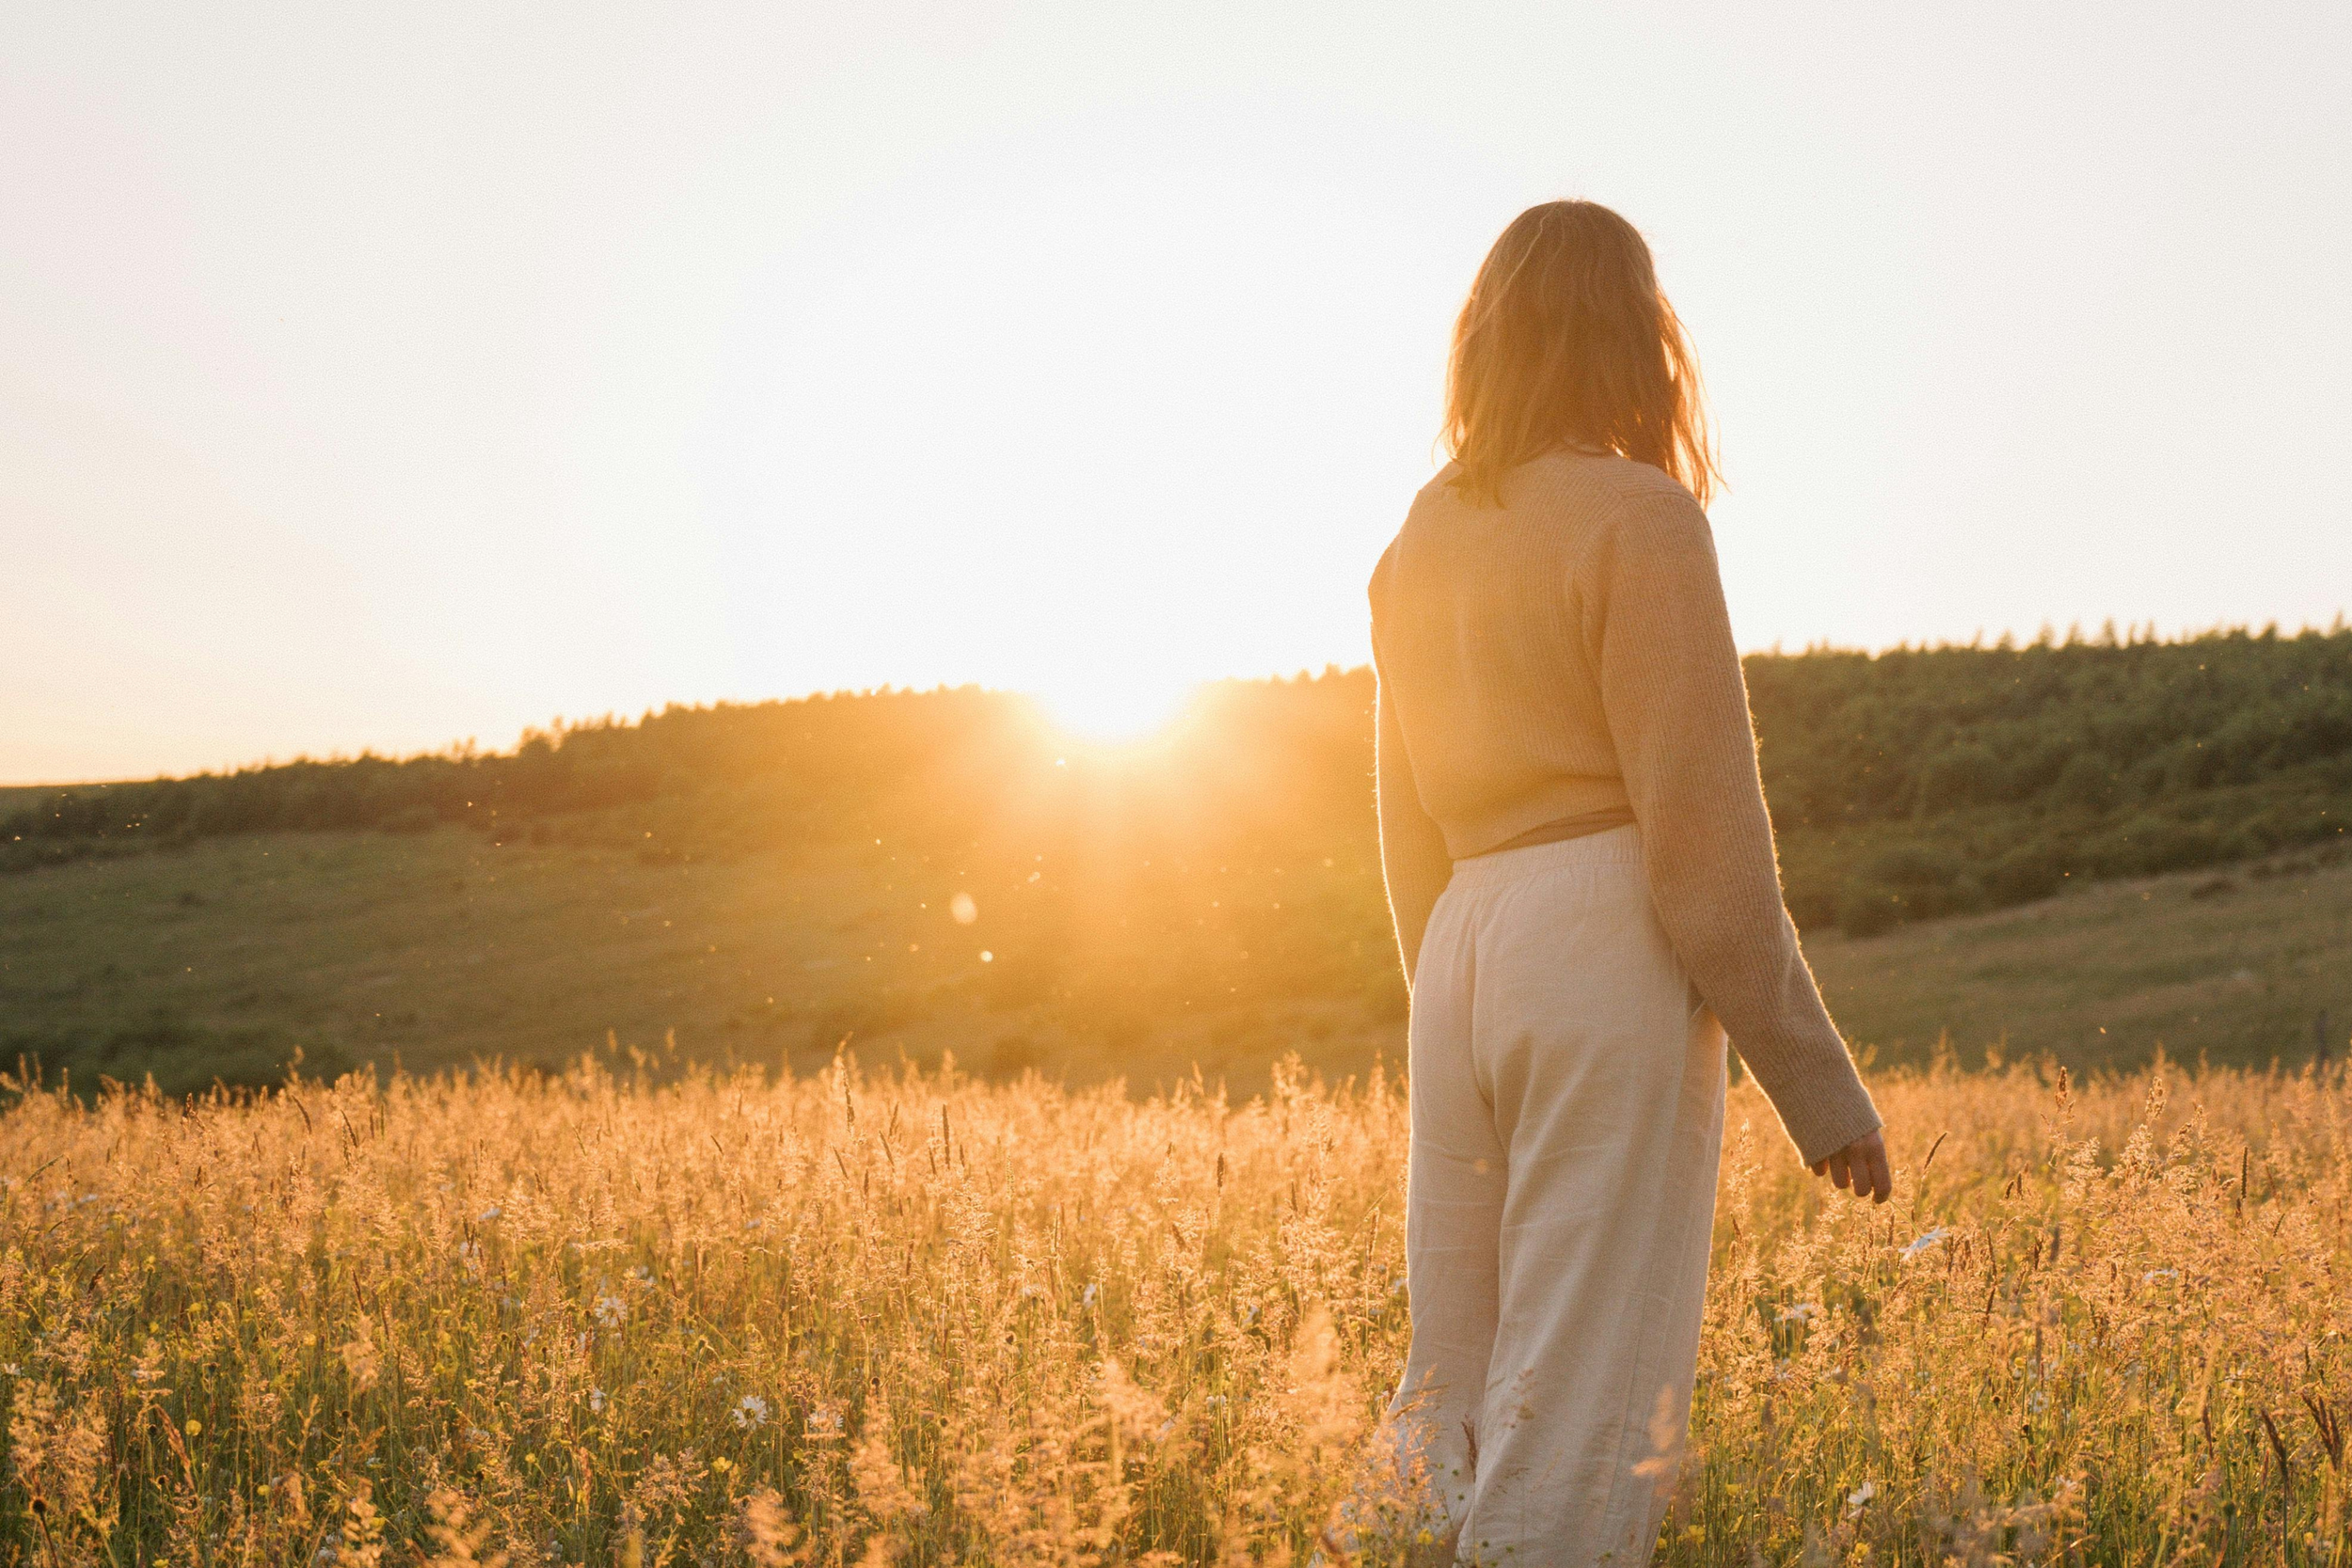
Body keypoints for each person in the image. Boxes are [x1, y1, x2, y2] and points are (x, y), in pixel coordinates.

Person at [1368, 200, 1891, 1565]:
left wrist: (1463, 1002)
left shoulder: (1418, 540)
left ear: (1485, 339)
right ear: (1640, 339)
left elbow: (1405, 831)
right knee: (1582, 1387)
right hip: (1601, 934)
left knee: (1454, 1372)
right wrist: (1818, 1084)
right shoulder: (1642, 520)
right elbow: (1703, 853)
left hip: (1459, 947)